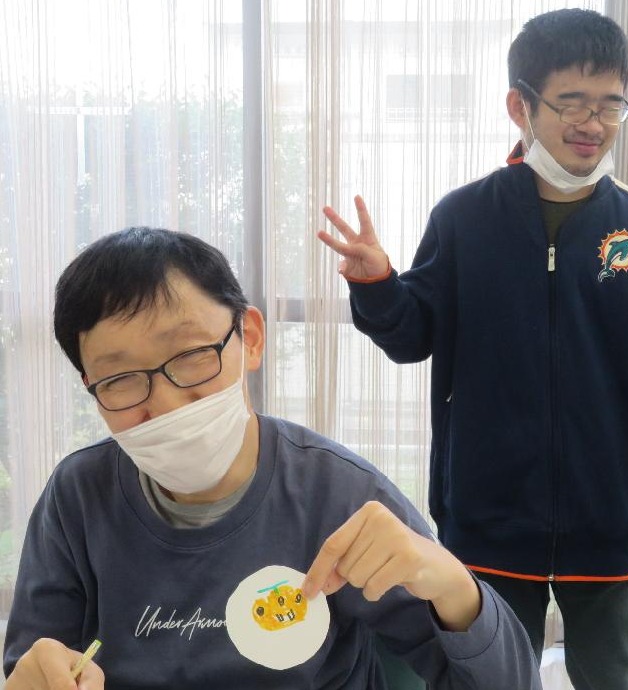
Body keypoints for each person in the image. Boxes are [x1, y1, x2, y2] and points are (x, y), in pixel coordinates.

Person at [317, 8, 628, 690]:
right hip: (488, 513)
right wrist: (378, 283)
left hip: (609, 512)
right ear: (520, 106)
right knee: (488, 678)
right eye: (571, 101)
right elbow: (411, 336)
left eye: (611, 104)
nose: (593, 122)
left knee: (613, 680)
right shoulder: (464, 217)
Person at [2, 227, 540, 690]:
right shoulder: (77, 497)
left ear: (251, 338)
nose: (164, 404)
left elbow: (505, 681)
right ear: (91, 387)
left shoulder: (337, 494)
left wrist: (452, 585)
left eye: (190, 355)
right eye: (120, 378)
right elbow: (34, 663)